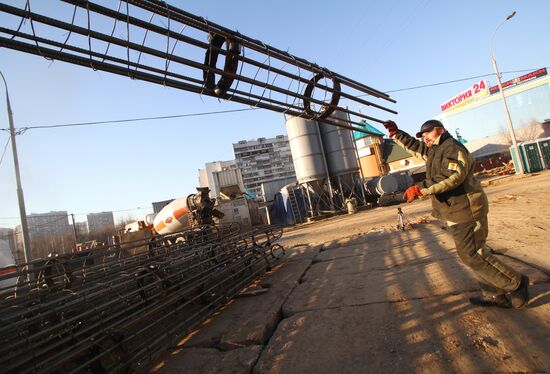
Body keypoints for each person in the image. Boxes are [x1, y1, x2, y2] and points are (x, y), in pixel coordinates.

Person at [383, 119, 529, 308]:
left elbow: (452, 176)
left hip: (467, 209)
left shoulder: (452, 147)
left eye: (427, 133)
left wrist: (420, 188)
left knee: (471, 254)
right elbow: (417, 148)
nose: (424, 137)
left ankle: (516, 283)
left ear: (440, 130)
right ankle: (495, 294)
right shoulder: (436, 150)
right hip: (454, 210)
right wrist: (397, 134)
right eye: (422, 135)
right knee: (474, 253)